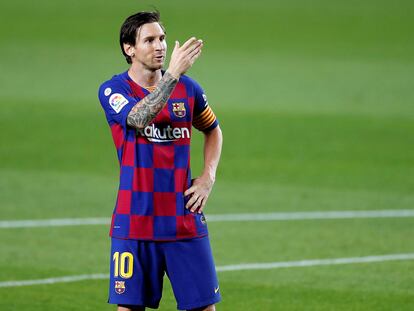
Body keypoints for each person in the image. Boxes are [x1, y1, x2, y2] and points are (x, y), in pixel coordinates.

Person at [98, 11, 223, 311]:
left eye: (163, 39)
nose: (160, 47)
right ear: (129, 49)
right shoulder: (114, 90)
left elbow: (213, 130)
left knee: (204, 308)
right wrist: (172, 76)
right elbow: (139, 117)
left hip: (183, 221)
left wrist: (208, 177)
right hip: (135, 222)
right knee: (129, 308)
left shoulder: (189, 90)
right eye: (150, 40)